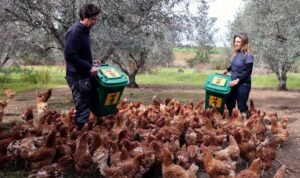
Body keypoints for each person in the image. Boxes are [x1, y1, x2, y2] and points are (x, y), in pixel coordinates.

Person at [64, 3, 101, 130]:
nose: (95, 22)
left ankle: (82, 136)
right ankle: (78, 137)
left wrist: (91, 62)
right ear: (85, 16)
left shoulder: (85, 31)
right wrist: (88, 67)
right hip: (77, 77)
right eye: (93, 19)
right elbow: (69, 55)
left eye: (96, 19)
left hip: (83, 74)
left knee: (86, 105)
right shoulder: (75, 32)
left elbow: (78, 53)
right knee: (83, 110)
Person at [223, 33, 254, 118]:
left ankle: (247, 124)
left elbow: (248, 71)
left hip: (243, 84)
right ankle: (231, 122)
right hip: (232, 83)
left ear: (244, 42)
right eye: (235, 41)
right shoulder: (236, 54)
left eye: (238, 42)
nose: (236, 43)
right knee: (229, 103)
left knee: (241, 106)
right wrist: (227, 69)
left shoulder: (248, 55)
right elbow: (234, 66)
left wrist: (237, 81)